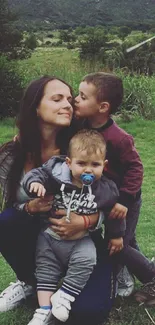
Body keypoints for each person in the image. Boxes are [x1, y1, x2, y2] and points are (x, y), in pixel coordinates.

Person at [0, 76, 117, 325]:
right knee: (7, 220)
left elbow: (111, 198)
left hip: (85, 242)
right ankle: (32, 282)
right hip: (43, 240)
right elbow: (10, 207)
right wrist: (29, 207)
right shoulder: (12, 155)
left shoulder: (83, 149)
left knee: (88, 313)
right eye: (57, 99)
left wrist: (87, 220)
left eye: (69, 98)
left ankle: (104, 277)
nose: (68, 104)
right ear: (35, 107)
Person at [22, 129, 124, 324]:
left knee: (87, 259)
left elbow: (114, 212)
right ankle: (44, 310)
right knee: (45, 270)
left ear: (104, 165)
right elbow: (37, 175)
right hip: (50, 236)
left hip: (81, 240)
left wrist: (116, 234)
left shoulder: (105, 189)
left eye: (95, 164)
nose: (88, 170)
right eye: (81, 163)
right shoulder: (56, 173)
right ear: (69, 163)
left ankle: (65, 295)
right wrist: (34, 183)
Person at [73, 72, 155, 303]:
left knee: (117, 243)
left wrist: (125, 201)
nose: (75, 99)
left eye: (82, 96)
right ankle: (126, 273)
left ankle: (151, 276)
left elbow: (135, 169)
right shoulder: (82, 126)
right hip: (105, 198)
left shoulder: (119, 138)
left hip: (123, 202)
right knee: (127, 239)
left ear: (103, 107)